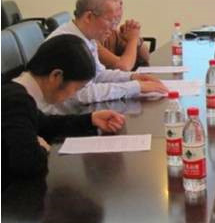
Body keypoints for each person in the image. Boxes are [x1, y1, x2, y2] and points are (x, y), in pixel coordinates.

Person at [2, 35, 126, 185]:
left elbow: (44, 124)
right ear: (56, 76)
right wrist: (43, 149)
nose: (74, 95)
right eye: (76, 88)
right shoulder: (17, 101)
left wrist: (90, 119)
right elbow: (28, 164)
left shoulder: (19, 92)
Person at [44, 0, 168, 111]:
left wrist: (132, 77)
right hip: (59, 118)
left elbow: (98, 75)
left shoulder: (87, 38)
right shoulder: (68, 44)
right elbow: (82, 94)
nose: (113, 29)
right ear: (89, 17)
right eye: (111, 21)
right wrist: (135, 87)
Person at [97, 0, 150, 71]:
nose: (119, 12)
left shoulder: (113, 32)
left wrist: (137, 41)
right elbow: (123, 66)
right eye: (115, 6)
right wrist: (133, 39)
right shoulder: (91, 36)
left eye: (120, 5)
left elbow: (145, 57)